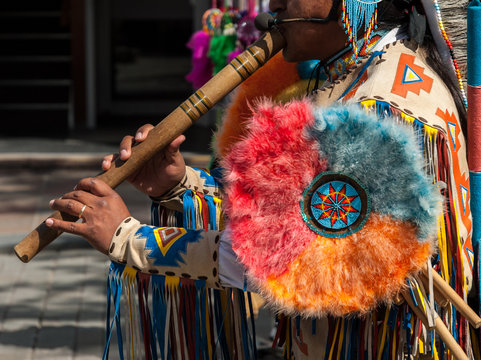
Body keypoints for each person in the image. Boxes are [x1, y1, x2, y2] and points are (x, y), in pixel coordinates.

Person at [46, 0, 476, 358]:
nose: (273, 6)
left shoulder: (378, 105)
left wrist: (129, 238)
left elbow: (281, 259)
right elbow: (296, 215)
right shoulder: (360, 71)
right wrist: (182, 187)